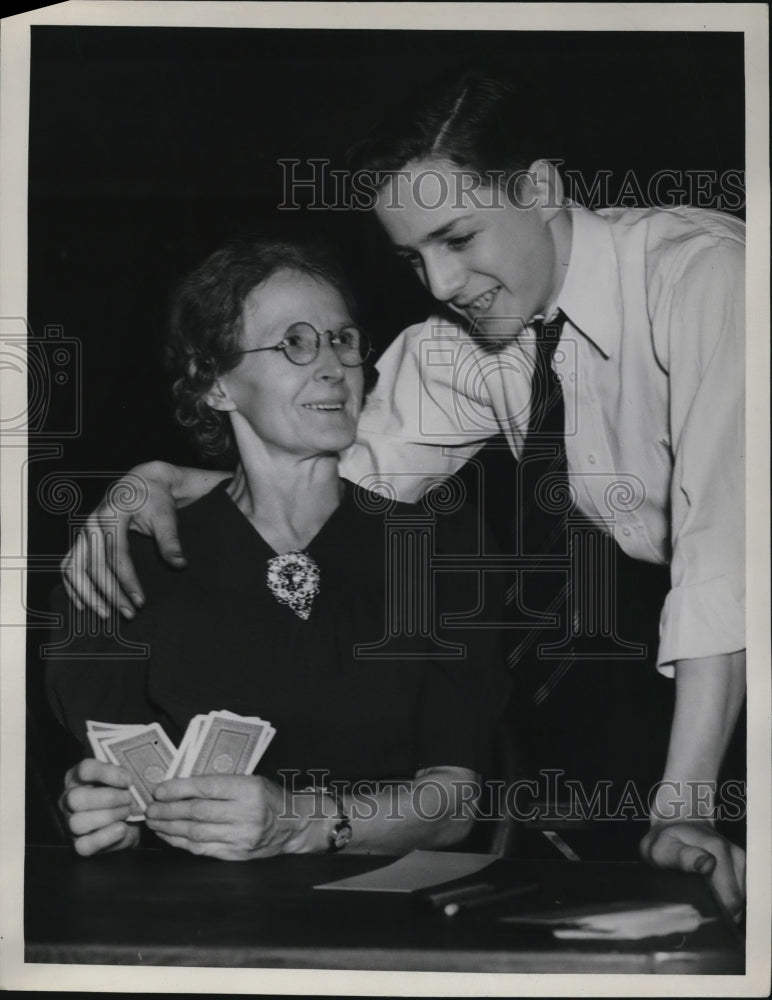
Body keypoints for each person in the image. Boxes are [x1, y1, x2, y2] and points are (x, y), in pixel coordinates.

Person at [61, 72, 746, 916]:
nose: (440, 283)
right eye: (412, 257)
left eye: (456, 238)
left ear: (539, 187)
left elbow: (728, 551)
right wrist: (166, 480)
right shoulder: (475, 344)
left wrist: (685, 804)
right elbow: (335, 462)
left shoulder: (706, 279)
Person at [48, 233, 510, 860]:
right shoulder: (129, 557)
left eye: (342, 339)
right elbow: (94, 785)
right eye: (293, 342)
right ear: (215, 383)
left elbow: (452, 805)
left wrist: (301, 822)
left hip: (388, 924)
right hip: (189, 932)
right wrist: (93, 809)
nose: (331, 365)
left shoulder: (439, 546)